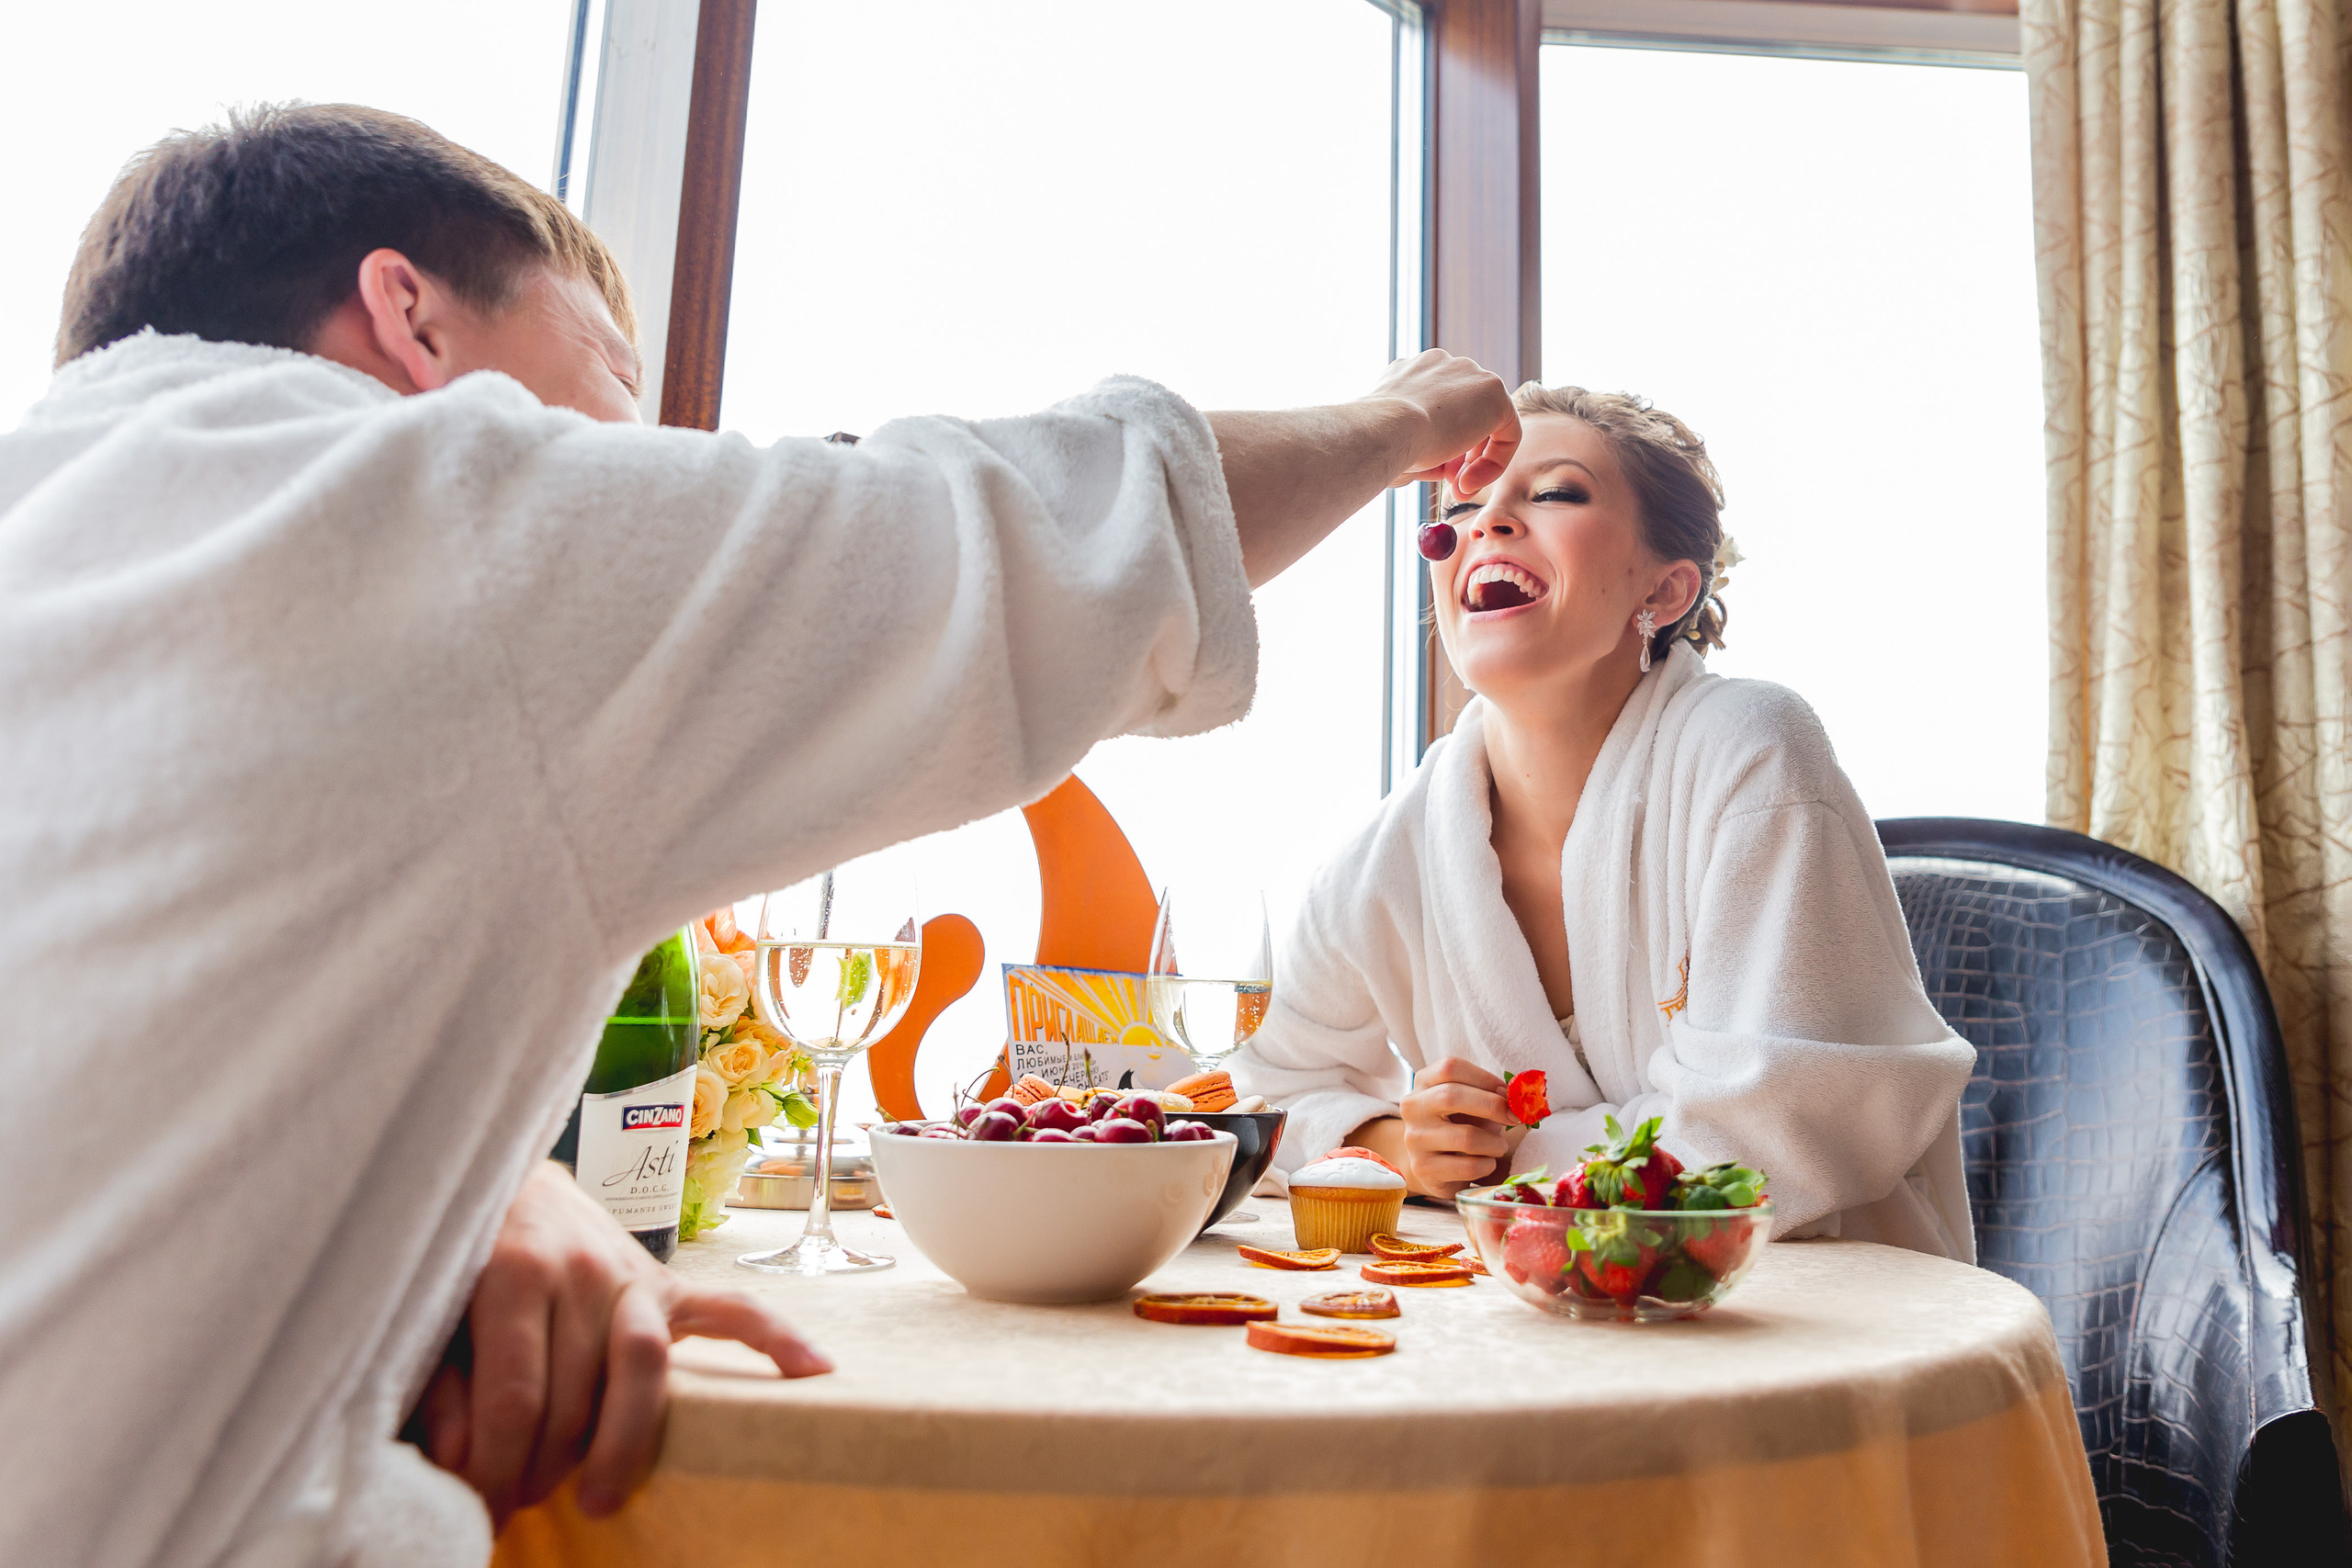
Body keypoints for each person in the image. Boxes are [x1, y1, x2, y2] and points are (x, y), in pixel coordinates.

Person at [0, 104, 1520, 1568]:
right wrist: (1412, 418)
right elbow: (1067, 543)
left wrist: (491, 1189)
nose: (656, 448)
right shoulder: (436, 522)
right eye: (613, 379)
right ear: (412, 318)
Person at [1229, 384, 1976, 1263]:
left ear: (1666, 588)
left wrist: (1508, 1158)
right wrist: (1406, 1147)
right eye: (1461, 506)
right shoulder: (1403, 844)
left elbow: (1770, 1130)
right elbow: (1258, 1084)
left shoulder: (1754, 754)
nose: (1485, 522)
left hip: (1801, 1321)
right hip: (1544, 1316)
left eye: (1552, 493)